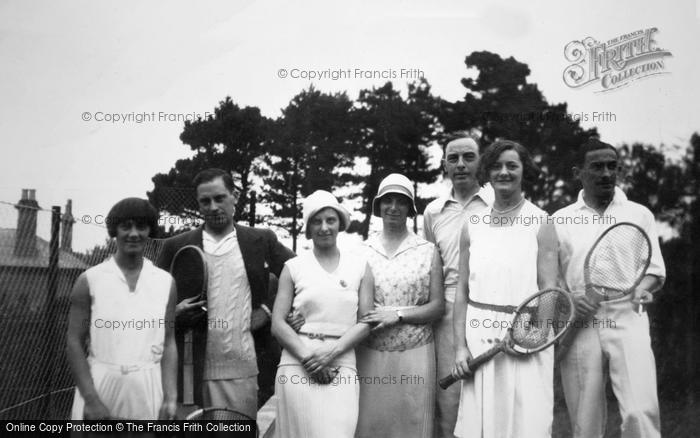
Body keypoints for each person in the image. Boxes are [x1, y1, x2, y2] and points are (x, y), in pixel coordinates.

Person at [155, 168, 294, 420]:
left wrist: (267, 310)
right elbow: (151, 302)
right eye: (205, 201)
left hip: (242, 370)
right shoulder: (176, 246)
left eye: (220, 198)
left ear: (235, 196)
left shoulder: (261, 240)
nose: (213, 206)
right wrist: (173, 315)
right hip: (188, 372)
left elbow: (301, 275)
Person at [553, 138, 666, 438]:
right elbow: (550, 281)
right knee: (584, 422)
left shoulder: (639, 214)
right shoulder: (559, 221)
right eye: (597, 167)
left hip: (628, 316)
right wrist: (571, 301)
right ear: (579, 172)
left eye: (611, 167)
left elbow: (653, 269)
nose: (605, 173)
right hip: (578, 324)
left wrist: (643, 288)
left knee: (640, 412)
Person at [451, 140, 559, 438]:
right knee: (481, 426)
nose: (504, 172)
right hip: (478, 335)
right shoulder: (472, 224)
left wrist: (536, 334)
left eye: (512, 165)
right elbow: (461, 291)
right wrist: (460, 347)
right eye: (497, 166)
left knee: (527, 424)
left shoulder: (541, 221)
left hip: (526, 333)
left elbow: (550, 287)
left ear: (524, 171)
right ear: (487, 172)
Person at [271, 190, 374, 438]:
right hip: (297, 365)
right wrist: (309, 358)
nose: (324, 227)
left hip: (341, 364)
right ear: (308, 227)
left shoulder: (360, 266)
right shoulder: (293, 268)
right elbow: (277, 324)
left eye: (330, 220)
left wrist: (330, 354)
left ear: (340, 223)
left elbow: (367, 322)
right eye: (316, 221)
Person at [66, 198, 177, 420]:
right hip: (100, 386)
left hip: (148, 389)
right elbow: (74, 342)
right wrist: (91, 399)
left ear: (150, 230)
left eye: (141, 226)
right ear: (114, 230)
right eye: (126, 226)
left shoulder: (165, 282)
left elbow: (169, 342)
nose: (133, 234)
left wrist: (170, 398)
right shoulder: (89, 280)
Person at [355, 174, 444, 438]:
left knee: (413, 425)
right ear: (378, 206)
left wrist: (399, 314)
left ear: (410, 208)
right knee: (371, 425)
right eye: (387, 201)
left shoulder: (427, 250)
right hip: (371, 353)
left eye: (401, 202)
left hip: (416, 354)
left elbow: (437, 306)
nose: (393, 207)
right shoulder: (362, 250)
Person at [422, 132, 494, 438]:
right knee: (449, 398)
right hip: (448, 313)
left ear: (481, 161)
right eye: (454, 158)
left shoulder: (499, 203)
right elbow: (430, 269)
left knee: (490, 395)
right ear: (444, 165)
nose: (461, 165)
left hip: (491, 308)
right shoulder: (433, 212)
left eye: (469, 157)